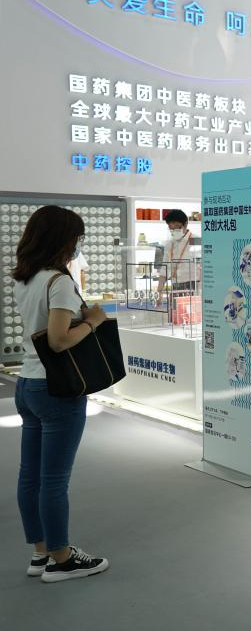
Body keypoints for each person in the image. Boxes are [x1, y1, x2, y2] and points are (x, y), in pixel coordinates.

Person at [11, 205, 110, 583]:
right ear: (62, 239)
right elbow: (58, 340)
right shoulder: (60, 282)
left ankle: (41, 553)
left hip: (27, 384)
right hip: (57, 390)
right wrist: (93, 322)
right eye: (76, 238)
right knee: (54, 479)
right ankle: (63, 560)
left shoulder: (26, 278)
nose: (77, 245)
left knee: (31, 476)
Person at [156, 209, 200, 303]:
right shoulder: (170, 243)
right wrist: (159, 292)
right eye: (170, 227)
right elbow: (164, 269)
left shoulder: (196, 241)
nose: (174, 230)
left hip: (193, 287)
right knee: (174, 311)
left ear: (185, 224)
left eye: (177, 226)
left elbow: (203, 268)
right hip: (175, 286)